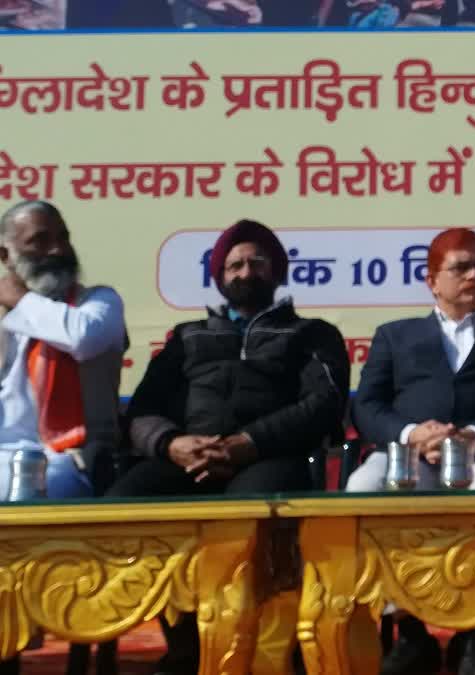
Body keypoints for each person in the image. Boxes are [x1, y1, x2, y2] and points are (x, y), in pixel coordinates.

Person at [107, 219, 350, 675]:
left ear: (277, 272)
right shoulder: (188, 337)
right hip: (189, 456)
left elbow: (324, 404)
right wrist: (172, 444)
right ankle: (185, 645)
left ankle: (263, 649)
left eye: (257, 262)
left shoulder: (310, 334)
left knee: (247, 519)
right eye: (234, 265)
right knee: (126, 501)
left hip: (269, 455)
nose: (246, 272)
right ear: (219, 277)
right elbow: (142, 411)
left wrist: (249, 443)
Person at [347, 227, 475, 675]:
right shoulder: (395, 336)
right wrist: (412, 434)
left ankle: (473, 636)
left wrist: (474, 435)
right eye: (461, 267)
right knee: (364, 486)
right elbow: (367, 407)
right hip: (410, 455)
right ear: (432, 280)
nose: (474, 275)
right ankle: (410, 632)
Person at [0, 200, 126, 500]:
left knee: (25, 490)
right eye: (40, 241)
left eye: (63, 238)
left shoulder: (98, 302)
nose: (57, 250)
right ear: (5, 256)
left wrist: (20, 299)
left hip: (67, 459)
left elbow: (82, 338)